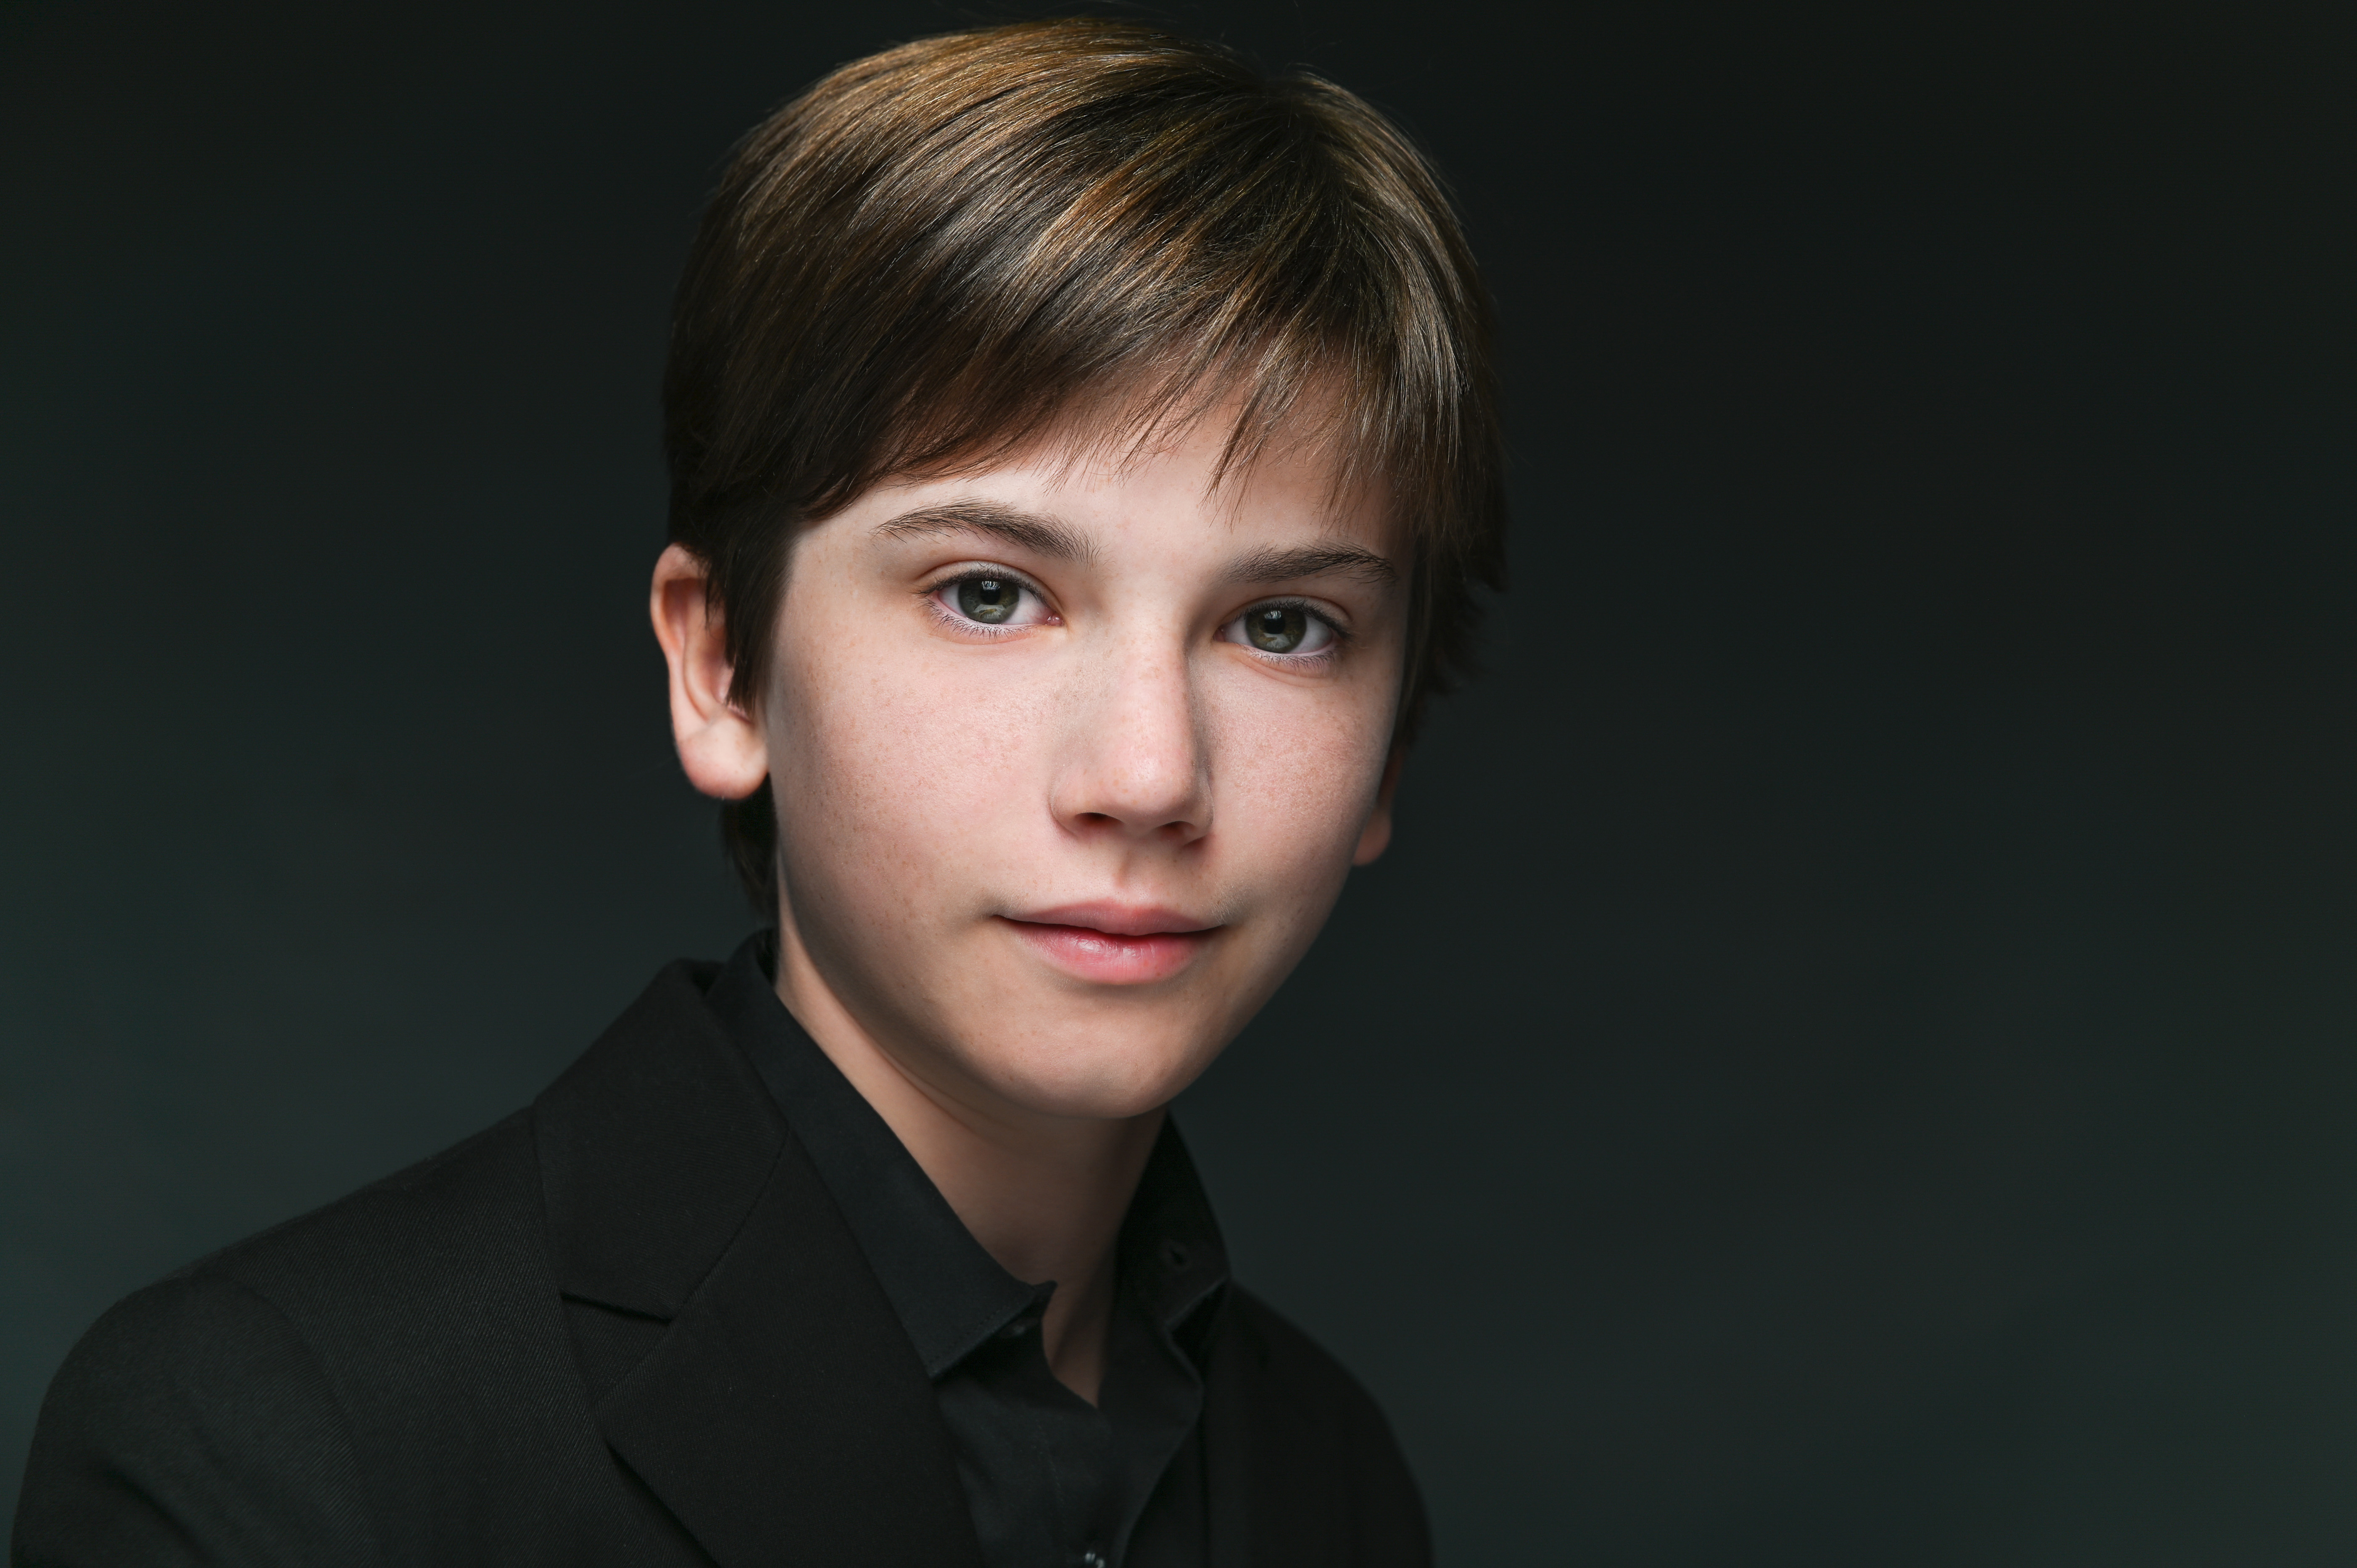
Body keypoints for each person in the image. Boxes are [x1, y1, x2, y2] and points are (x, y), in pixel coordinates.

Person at [13, 18, 1504, 1567]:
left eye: (1282, 626)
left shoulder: (1329, 1476)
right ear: (723, 668)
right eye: (988, 592)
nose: (1146, 776)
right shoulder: (273, 1449)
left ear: (1390, 748)